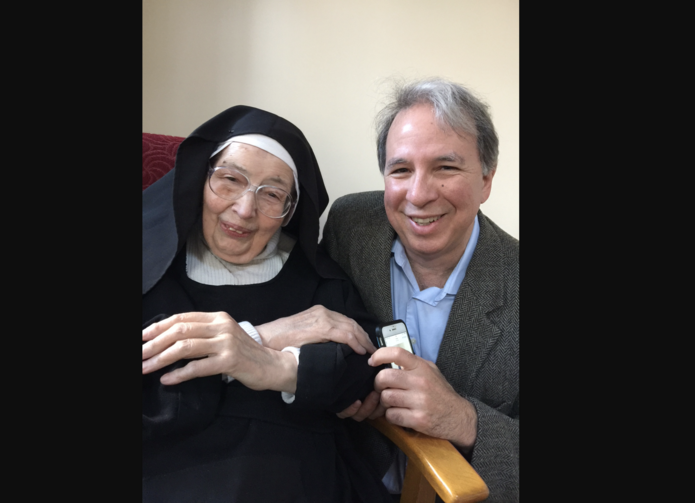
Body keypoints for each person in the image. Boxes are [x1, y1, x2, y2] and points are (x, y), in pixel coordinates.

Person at [142, 105, 393, 503]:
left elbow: (365, 371)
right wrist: (260, 337)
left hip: (294, 475)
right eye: (229, 180)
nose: (244, 210)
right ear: (201, 179)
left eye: (272, 194)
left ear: (290, 210)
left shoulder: (317, 279)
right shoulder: (150, 262)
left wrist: (276, 368)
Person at [322, 78, 519, 502]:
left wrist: (465, 420)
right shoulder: (350, 226)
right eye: (401, 169)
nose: (418, 194)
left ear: (486, 180)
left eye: (446, 167)